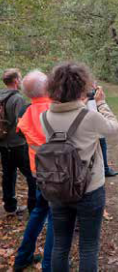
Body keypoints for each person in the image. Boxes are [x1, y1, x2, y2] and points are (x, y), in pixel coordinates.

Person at [42, 62, 118, 272]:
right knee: (88, 247)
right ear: (81, 87)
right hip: (89, 189)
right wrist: (101, 104)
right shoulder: (89, 116)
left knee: (60, 245)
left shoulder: (44, 117)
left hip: (57, 188)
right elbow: (113, 128)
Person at [14, 70, 53, 272]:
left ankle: (22, 258)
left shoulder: (27, 112)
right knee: (55, 217)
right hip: (56, 174)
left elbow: (20, 130)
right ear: (47, 87)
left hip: (37, 172)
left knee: (39, 212)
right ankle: (51, 264)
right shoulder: (55, 109)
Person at [0, 68, 36, 214]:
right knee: (31, 175)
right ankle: (34, 207)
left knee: (8, 175)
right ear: (16, 81)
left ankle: (10, 207)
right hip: (18, 145)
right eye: (19, 79)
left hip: (2, 143)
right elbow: (21, 124)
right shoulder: (18, 99)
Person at [86, 84, 118, 177]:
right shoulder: (83, 93)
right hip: (90, 115)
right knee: (100, 141)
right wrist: (101, 102)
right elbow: (114, 128)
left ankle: (104, 168)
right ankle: (104, 169)